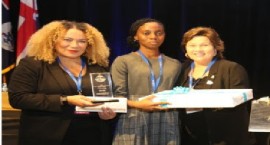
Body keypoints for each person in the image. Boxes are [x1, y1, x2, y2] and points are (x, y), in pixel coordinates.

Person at [8, 20, 116, 145]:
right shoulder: (33, 64)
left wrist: (107, 115)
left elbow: (106, 98)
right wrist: (65, 100)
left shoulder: (98, 67)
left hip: (92, 135)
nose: (75, 45)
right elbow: (18, 98)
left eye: (82, 41)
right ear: (53, 40)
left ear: (89, 44)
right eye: (67, 40)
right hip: (46, 136)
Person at [111, 18, 182, 145]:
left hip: (167, 116)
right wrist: (138, 104)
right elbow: (117, 96)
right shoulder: (123, 61)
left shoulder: (175, 63)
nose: (154, 36)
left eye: (159, 33)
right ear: (135, 37)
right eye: (146, 33)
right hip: (134, 115)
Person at [178, 26, 251, 145]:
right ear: (186, 49)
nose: (198, 49)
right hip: (191, 136)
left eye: (204, 45)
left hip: (225, 137)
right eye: (192, 45)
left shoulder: (231, 68)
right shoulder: (181, 70)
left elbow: (240, 101)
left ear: (216, 48)